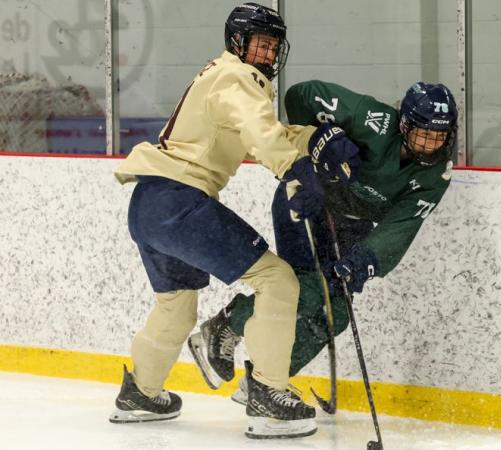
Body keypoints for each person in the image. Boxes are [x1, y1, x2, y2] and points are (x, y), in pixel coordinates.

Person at [108, 3, 358, 440]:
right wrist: (294, 170)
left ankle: (141, 395)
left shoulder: (225, 78)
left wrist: (313, 140)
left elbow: (264, 128)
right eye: (261, 43)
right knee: (278, 281)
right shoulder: (237, 78)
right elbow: (261, 134)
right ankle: (268, 393)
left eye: (274, 45)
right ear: (238, 43)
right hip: (178, 202)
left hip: (149, 203)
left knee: (176, 305)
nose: (269, 53)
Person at [188, 79, 458, 404]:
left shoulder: (436, 174)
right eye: (424, 134)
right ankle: (227, 324)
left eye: (439, 136)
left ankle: (264, 382)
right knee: (306, 287)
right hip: (308, 200)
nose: (431, 144)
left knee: (336, 312)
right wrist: (320, 145)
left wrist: (366, 258)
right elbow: (300, 95)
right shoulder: (370, 118)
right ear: (404, 125)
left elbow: (403, 224)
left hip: (350, 224)